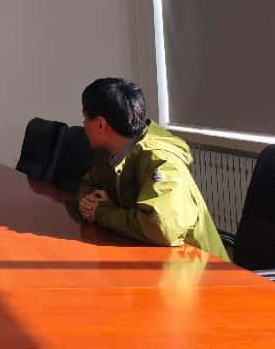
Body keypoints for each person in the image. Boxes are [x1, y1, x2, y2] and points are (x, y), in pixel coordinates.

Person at [76, 78, 229, 261]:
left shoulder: (161, 160)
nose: (83, 123)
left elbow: (161, 228)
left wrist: (102, 212)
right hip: (146, 257)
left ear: (101, 125)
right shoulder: (110, 153)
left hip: (200, 268)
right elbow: (89, 183)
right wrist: (91, 203)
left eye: (85, 117)